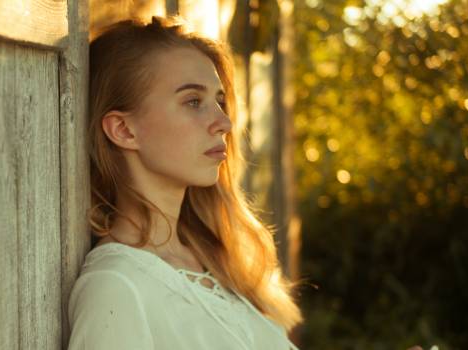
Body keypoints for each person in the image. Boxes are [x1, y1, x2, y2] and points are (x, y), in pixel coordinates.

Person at [67, 16, 302, 350]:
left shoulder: (216, 263)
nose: (224, 122)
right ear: (124, 130)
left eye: (219, 101)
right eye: (193, 101)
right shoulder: (116, 286)